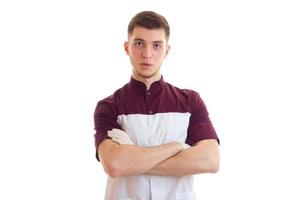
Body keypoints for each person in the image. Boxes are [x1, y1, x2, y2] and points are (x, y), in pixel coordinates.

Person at [93, 11, 220, 200]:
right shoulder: (109, 106)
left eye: (156, 45)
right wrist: (178, 146)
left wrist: (133, 158)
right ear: (127, 47)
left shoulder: (190, 101)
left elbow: (210, 160)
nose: (147, 54)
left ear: (166, 50)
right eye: (139, 43)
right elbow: (115, 165)